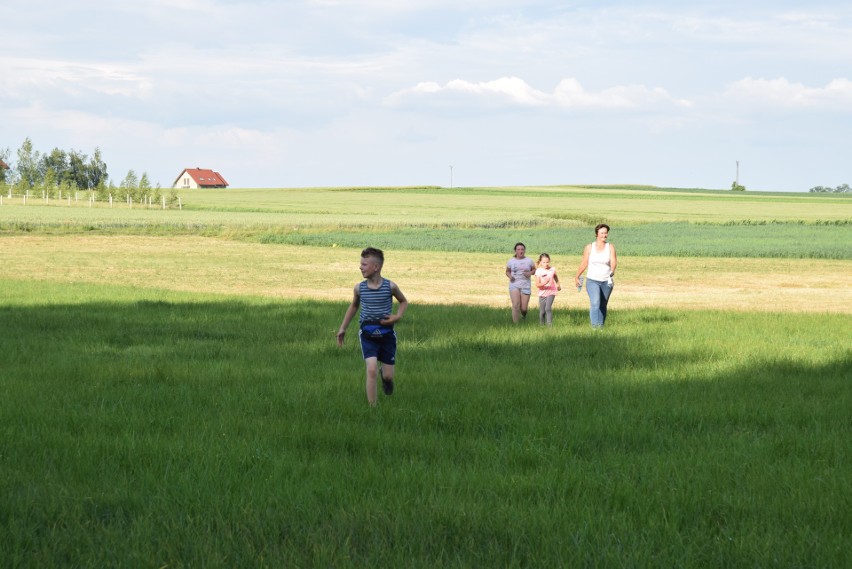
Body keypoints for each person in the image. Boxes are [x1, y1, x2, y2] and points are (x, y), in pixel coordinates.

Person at [337, 247, 408, 406]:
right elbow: (354, 307)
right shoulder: (359, 288)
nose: (360, 267)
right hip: (368, 336)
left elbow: (403, 301)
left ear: (376, 267)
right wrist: (343, 328)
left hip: (387, 336)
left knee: (388, 376)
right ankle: (372, 408)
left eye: (364, 264)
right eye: (360, 264)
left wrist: (397, 316)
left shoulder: (390, 286)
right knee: (371, 369)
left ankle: (386, 378)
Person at [574, 224, 618, 328]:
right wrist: (577, 276)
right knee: (595, 302)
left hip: (606, 281)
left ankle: (600, 327)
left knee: (603, 305)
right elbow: (584, 262)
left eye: (606, 232)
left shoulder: (610, 247)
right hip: (592, 280)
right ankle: (594, 328)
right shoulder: (589, 247)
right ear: (597, 234)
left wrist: (612, 270)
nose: (604, 235)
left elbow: (613, 261)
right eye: (602, 233)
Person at [505, 242, 536, 323]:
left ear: (524, 250)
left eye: (522, 249)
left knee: (523, 308)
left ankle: (524, 315)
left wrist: (529, 273)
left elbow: (534, 270)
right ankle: (516, 324)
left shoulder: (529, 261)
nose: (520, 251)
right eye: (518, 249)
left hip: (525, 285)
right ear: (515, 251)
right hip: (514, 285)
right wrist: (510, 276)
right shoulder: (511, 261)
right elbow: (507, 271)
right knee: (515, 305)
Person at [534, 253, 561, 326]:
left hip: (551, 291)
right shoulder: (538, 271)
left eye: (547, 262)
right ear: (540, 262)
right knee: (542, 312)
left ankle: (550, 326)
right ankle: (542, 326)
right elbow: (537, 284)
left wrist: (558, 284)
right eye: (544, 262)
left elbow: (555, 276)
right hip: (542, 292)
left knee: (548, 308)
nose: (546, 264)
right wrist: (544, 283)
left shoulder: (552, 269)